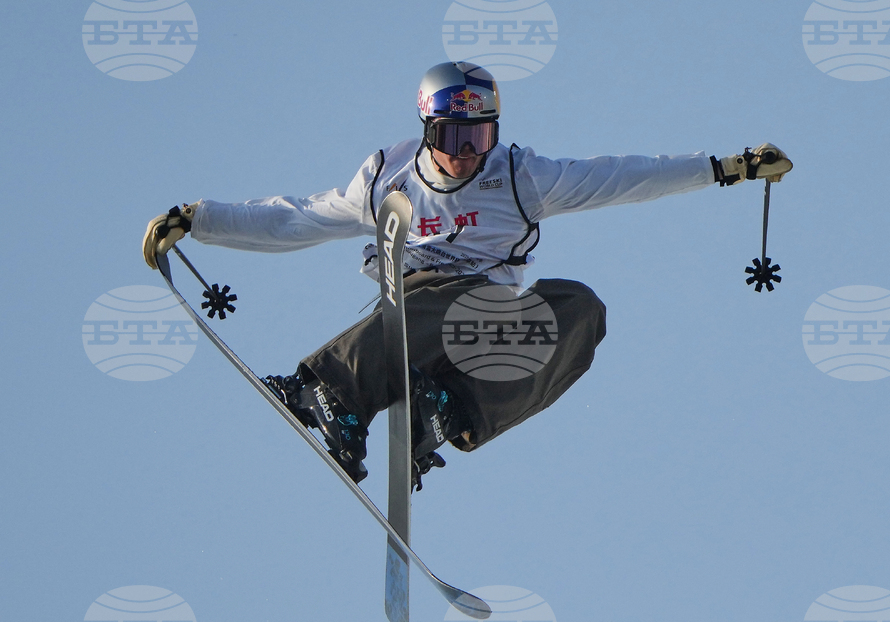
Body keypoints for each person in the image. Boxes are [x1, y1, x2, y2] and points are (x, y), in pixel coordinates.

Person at [142, 61, 792, 490]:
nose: (463, 157)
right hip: (417, 302)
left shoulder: (521, 177)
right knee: (458, 295)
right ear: (427, 131)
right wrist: (201, 220)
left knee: (580, 309)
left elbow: (624, 176)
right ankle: (332, 386)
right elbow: (295, 220)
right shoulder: (386, 178)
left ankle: (447, 410)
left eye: (477, 140)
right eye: (451, 139)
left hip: (488, 324)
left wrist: (725, 167)